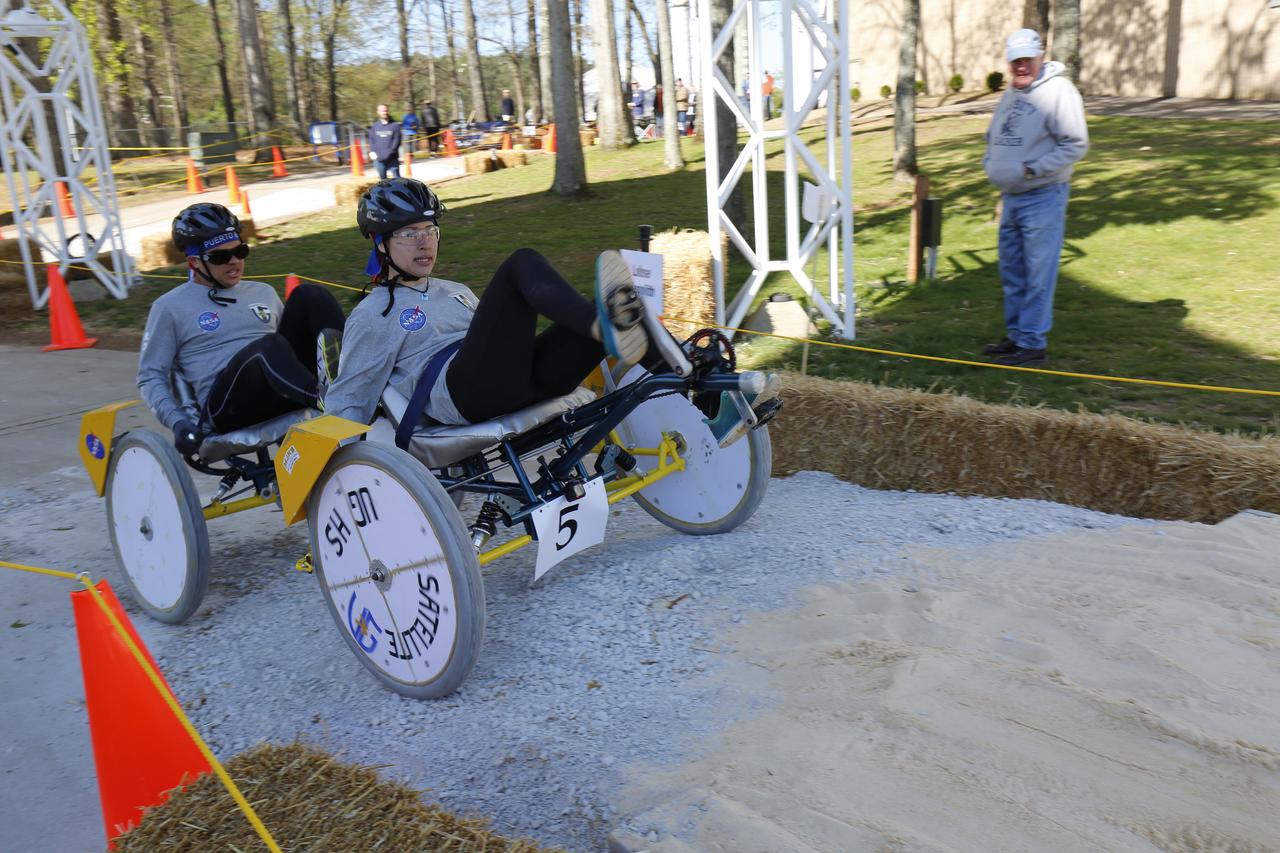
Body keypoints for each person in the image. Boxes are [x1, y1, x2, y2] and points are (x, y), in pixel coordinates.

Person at [324, 178, 777, 440]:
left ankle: (708, 395)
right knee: (522, 264)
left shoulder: (454, 289)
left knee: (604, 306)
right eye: (407, 234)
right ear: (380, 245)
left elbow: (497, 340)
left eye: (429, 230)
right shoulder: (373, 314)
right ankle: (606, 329)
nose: (423, 241)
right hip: (463, 396)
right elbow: (350, 401)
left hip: (521, 382)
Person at [138, 203, 345, 455]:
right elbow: (150, 377)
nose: (234, 261)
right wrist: (178, 422)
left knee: (310, 295)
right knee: (267, 347)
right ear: (193, 263)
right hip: (227, 408)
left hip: (279, 390)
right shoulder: (169, 307)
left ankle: (351, 380)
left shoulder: (263, 292)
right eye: (220, 257)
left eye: (240, 251)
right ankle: (330, 400)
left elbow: (288, 352)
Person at [981, 28, 1088, 367]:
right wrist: (992, 163)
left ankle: (1033, 343)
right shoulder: (1012, 92)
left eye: (1027, 59)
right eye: (1016, 60)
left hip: (1042, 195)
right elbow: (993, 135)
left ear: (1041, 57)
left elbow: (1076, 143)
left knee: (1038, 272)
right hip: (1012, 196)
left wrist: (1032, 170)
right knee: (1013, 272)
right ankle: (1016, 337)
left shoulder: (1059, 91)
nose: (1021, 66)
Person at [368, 103, 403, 179]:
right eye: (382, 111)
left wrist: (388, 154)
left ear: (388, 111)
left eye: (385, 110)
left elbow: (397, 141)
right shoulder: (375, 126)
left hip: (392, 159)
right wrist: (372, 151)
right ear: (378, 112)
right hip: (379, 160)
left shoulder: (395, 125)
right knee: (383, 182)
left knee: (397, 180)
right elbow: (371, 139)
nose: (384, 113)